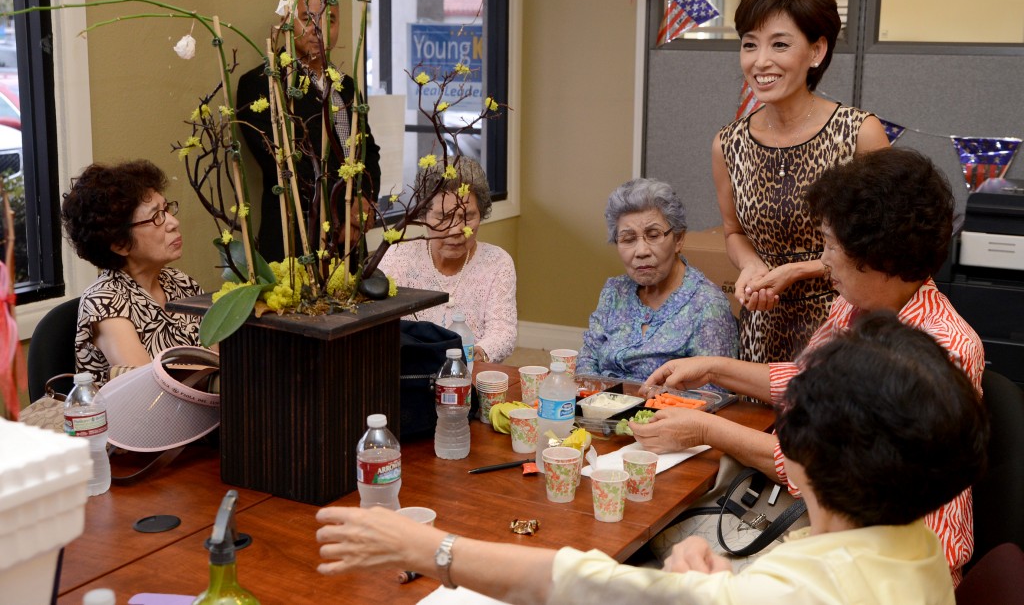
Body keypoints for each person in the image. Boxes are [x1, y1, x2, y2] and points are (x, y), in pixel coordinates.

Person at [316, 312, 988, 604]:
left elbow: (587, 586)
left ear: (802, 455)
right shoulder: (916, 549)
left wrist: (429, 547)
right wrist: (715, 582)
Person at [638, 147, 984, 583]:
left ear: (881, 259)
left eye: (831, 247)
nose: (822, 263)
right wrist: (712, 368)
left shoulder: (943, 347)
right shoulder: (857, 303)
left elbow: (827, 463)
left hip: (893, 561)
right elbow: (806, 385)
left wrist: (706, 430)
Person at [714, 0, 890, 362]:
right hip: (763, 326)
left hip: (844, 327)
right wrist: (752, 267)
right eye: (749, 44)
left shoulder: (860, 133)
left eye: (779, 45)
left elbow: (883, 248)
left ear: (816, 51)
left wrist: (796, 271)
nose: (760, 61)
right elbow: (733, 231)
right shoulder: (728, 143)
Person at [235, 0, 382, 263]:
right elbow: (286, 163)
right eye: (307, 18)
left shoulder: (347, 86)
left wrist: (363, 204)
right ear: (286, 22)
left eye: (329, 20)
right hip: (295, 237)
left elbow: (368, 152)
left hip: (350, 242)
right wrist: (342, 212)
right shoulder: (262, 83)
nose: (318, 28)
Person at [577, 178, 737, 382]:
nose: (641, 251)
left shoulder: (708, 305)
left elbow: (714, 391)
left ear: (678, 239)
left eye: (653, 235)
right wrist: (596, 400)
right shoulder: (614, 291)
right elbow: (588, 357)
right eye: (628, 239)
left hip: (669, 411)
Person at [61, 160, 204, 383]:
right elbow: (150, 388)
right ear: (120, 244)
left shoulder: (181, 282)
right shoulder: (104, 301)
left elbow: (223, 352)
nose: (174, 222)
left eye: (166, 209)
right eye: (157, 216)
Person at [378, 157, 516, 363]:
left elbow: (503, 331)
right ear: (422, 216)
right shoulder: (398, 257)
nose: (456, 230)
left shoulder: (498, 262)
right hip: (409, 373)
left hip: (469, 374)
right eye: (443, 217)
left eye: (467, 216)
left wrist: (476, 355)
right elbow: (377, 324)